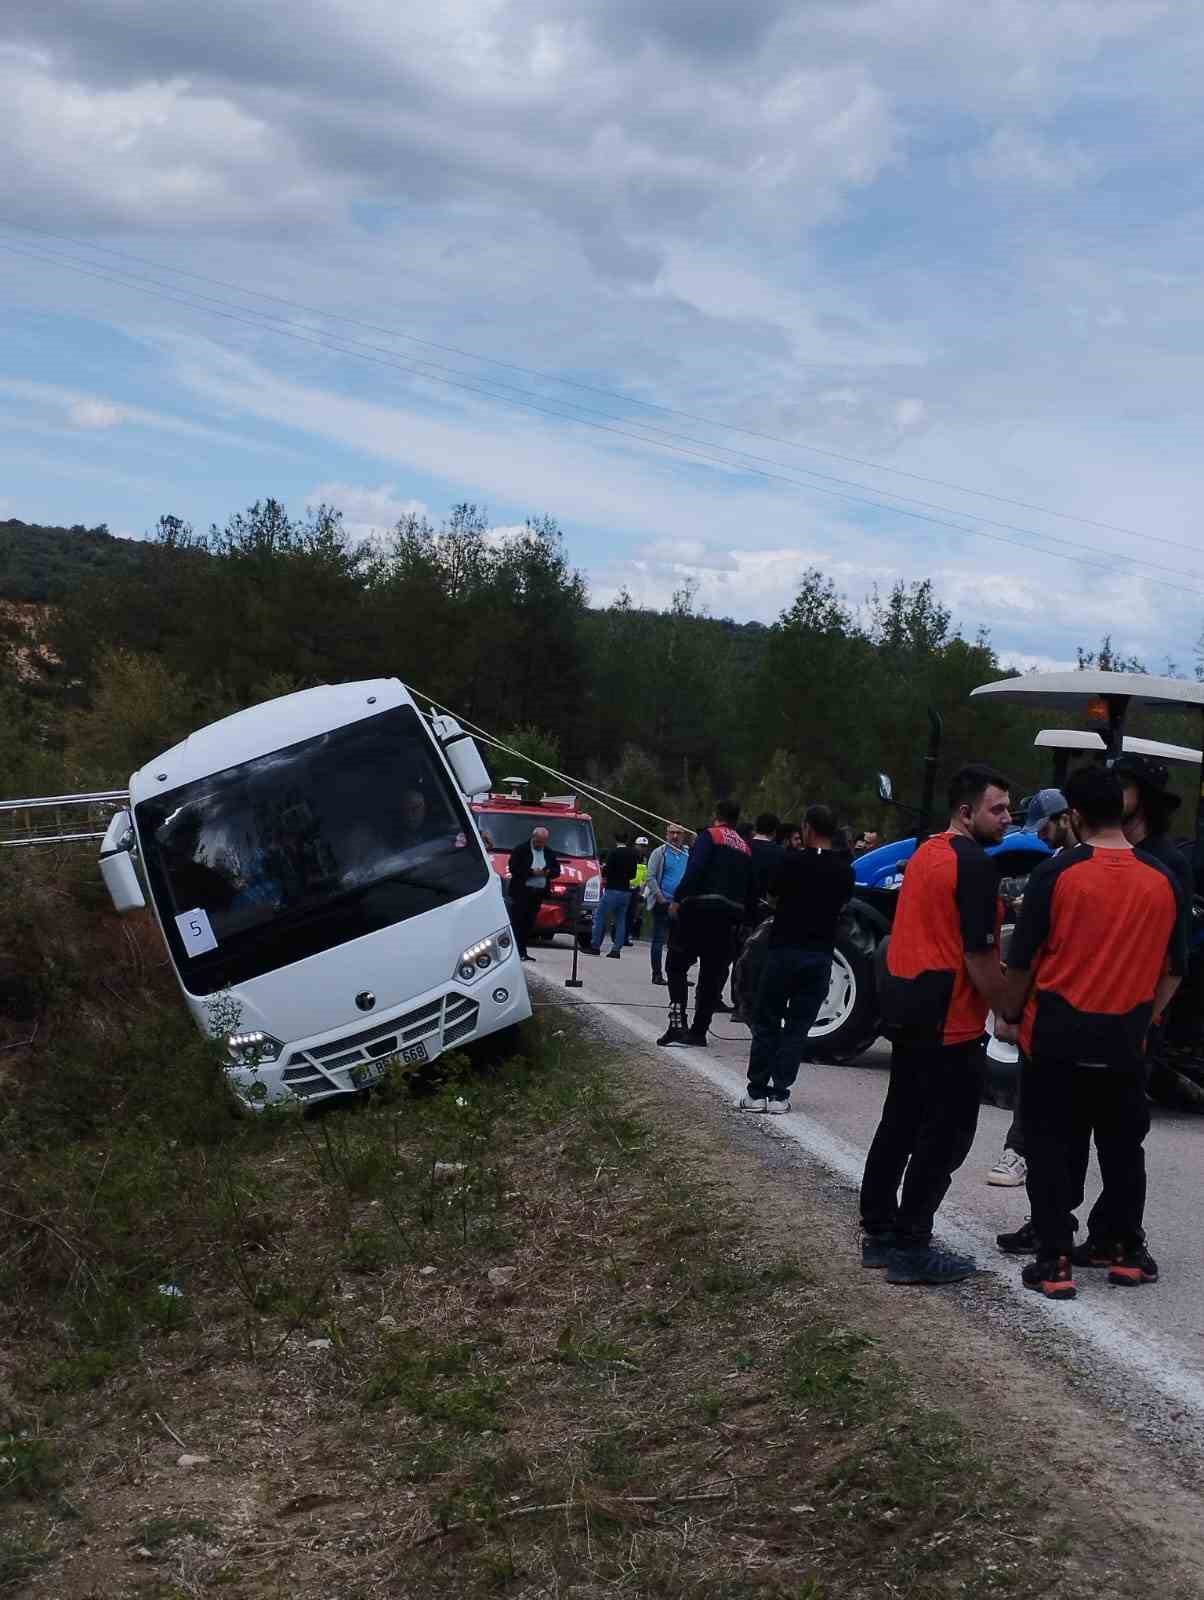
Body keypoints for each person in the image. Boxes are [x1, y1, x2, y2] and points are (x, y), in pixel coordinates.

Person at [996, 764, 1185, 1300]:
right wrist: (1146, 1017)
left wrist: (1009, 1012)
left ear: (1074, 816)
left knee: (1053, 1145)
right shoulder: (1161, 877)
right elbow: (1175, 966)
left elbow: (1025, 961)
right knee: (1124, 1147)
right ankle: (1123, 1250)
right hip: (1125, 1039)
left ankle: (1054, 1258)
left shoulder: (1059, 875)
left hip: (1057, 1035)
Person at [859, 763, 1012, 1286]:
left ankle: (878, 1231)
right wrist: (1008, 1007)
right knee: (944, 1136)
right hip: (949, 1018)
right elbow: (980, 955)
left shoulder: (926, 851)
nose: (1008, 819)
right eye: (998, 809)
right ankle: (911, 1245)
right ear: (966, 812)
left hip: (907, 1006)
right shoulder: (973, 864)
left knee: (900, 1120)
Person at [738, 804, 854, 1113]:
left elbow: (773, 891)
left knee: (767, 1020)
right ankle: (780, 1093)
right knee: (798, 1026)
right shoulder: (845, 870)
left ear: (808, 829)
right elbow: (843, 905)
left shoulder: (790, 861)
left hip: (784, 949)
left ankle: (756, 1090)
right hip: (819, 955)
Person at [987, 788, 1071, 1191]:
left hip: (1061, 995)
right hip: (1051, 996)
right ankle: (1020, 1152)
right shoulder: (1051, 867)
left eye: (1045, 827)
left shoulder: (1058, 872)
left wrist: (1010, 1009)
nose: (1040, 836)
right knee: (1032, 1078)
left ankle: (1025, 1156)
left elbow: (1025, 952)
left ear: (1065, 818)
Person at [657, 800, 754, 1049]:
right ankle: (699, 1031)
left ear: (716, 816)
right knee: (711, 974)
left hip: (698, 912)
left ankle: (677, 1024)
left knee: (676, 965)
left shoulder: (709, 836)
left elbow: (695, 869)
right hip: (727, 919)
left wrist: (678, 900)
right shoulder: (745, 846)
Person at [505, 825, 561, 962]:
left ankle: (523, 951)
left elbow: (557, 870)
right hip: (521, 893)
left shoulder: (548, 852)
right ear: (533, 837)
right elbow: (514, 868)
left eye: (543, 842)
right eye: (538, 842)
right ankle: (516, 952)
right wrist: (531, 872)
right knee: (518, 923)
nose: (540, 845)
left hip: (538, 894)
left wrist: (548, 872)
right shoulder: (521, 849)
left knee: (529, 924)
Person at [644, 824, 689, 985]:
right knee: (659, 939)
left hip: (682, 904)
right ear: (666, 834)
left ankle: (677, 975)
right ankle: (657, 974)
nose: (675, 836)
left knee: (678, 942)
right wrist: (660, 897)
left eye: (678, 833)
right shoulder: (660, 853)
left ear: (683, 835)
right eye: (672, 833)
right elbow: (650, 877)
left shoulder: (688, 854)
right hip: (663, 902)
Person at [589, 831, 639, 958]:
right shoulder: (633, 854)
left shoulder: (613, 853)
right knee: (621, 920)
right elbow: (633, 874)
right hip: (625, 890)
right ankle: (616, 949)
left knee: (600, 916)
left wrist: (605, 868)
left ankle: (595, 946)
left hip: (612, 889)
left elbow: (607, 871)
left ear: (616, 840)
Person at [625, 837, 651, 946]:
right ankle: (619, 935)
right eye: (641, 846)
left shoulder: (646, 859)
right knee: (623, 914)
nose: (642, 848)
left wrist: (644, 893)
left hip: (638, 891)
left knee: (633, 916)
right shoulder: (630, 857)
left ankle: (628, 935)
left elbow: (648, 877)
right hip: (627, 889)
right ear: (635, 845)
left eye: (644, 846)